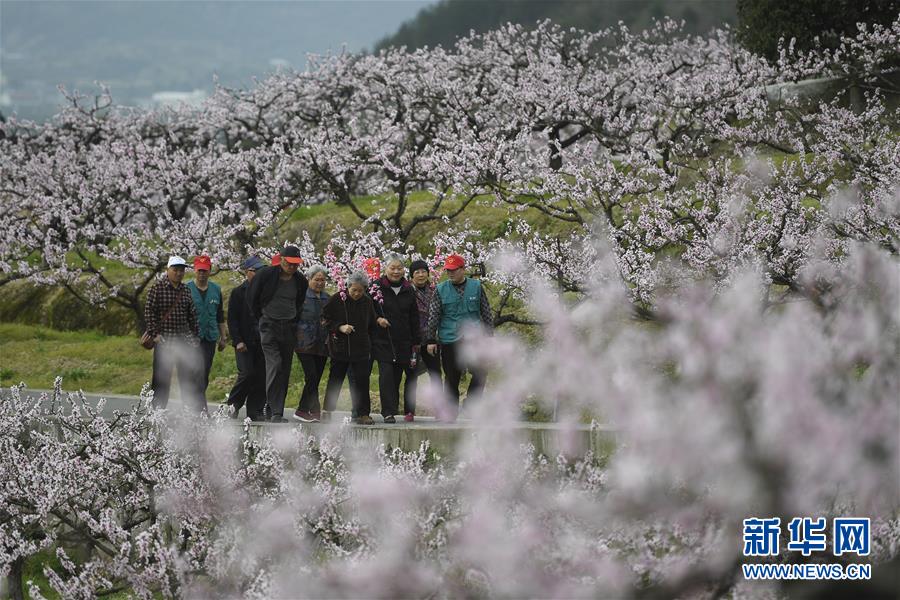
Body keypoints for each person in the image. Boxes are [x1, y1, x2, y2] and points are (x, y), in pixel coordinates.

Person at [425, 254, 493, 421]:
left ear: (463, 269)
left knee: (480, 373)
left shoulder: (476, 286)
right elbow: (434, 315)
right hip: (450, 339)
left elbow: (486, 311)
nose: (450, 273)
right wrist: (431, 339)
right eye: (448, 271)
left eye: (454, 270)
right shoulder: (440, 289)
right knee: (451, 377)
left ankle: (471, 405)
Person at [247, 245, 309, 423]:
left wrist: (293, 320)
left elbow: (299, 303)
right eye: (289, 263)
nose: (292, 267)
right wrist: (262, 318)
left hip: (288, 326)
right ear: (281, 259)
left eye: (296, 264)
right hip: (268, 325)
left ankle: (275, 409)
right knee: (275, 364)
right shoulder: (266, 275)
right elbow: (252, 298)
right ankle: (274, 410)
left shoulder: (300, 281)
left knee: (285, 369)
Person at [322, 270, 387, 425]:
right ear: (347, 287)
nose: (357, 293)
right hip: (340, 347)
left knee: (362, 381)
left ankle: (363, 413)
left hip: (361, 348)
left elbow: (371, 323)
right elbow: (324, 320)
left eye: (360, 290)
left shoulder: (367, 301)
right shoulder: (337, 299)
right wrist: (339, 327)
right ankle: (327, 410)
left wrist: (371, 340)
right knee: (335, 379)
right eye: (354, 290)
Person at [144, 255, 204, 412]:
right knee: (161, 379)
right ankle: (157, 411)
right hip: (164, 341)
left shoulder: (185, 290)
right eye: (175, 270)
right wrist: (154, 334)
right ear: (168, 270)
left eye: (181, 270)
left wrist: (195, 337)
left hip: (184, 340)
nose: (178, 273)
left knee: (186, 377)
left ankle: (189, 411)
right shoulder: (157, 288)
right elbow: (149, 312)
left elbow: (192, 315)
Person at [371, 253, 421, 423]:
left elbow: (414, 316)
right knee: (386, 375)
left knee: (397, 376)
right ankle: (388, 412)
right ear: (386, 269)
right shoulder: (376, 287)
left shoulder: (408, 288)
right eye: (392, 268)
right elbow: (368, 309)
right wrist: (377, 319)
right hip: (383, 340)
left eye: (399, 268)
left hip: (403, 341)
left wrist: (416, 341)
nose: (396, 271)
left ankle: (393, 408)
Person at [225, 256, 267, 420]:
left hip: (262, 341)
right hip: (244, 342)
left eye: (260, 271)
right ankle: (232, 406)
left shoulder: (265, 291)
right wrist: (238, 341)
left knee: (261, 376)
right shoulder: (238, 292)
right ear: (246, 272)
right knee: (247, 373)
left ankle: (255, 410)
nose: (258, 274)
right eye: (255, 271)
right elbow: (232, 319)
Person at [293, 265, 330, 423]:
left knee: (316, 377)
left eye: (323, 280)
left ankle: (308, 409)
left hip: (322, 344)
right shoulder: (301, 296)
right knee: (311, 376)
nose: (320, 283)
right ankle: (308, 410)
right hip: (304, 343)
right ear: (309, 279)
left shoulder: (327, 298)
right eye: (316, 279)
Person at [186, 255, 226, 403]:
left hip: (210, 337)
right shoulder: (186, 288)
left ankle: (196, 403)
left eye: (205, 270)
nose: (202, 273)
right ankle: (198, 406)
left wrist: (223, 337)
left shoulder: (216, 289)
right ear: (195, 271)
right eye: (199, 270)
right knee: (195, 370)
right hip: (191, 338)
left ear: (210, 271)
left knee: (204, 371)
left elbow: (220, 315)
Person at [410, 259, 442, 390]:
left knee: (435, 373)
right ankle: (409, 409)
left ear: (428, 273)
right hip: (413, 340)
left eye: (424, 271)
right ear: (412, 275)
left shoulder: (435, 290)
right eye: (417, 272)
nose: (421, 275)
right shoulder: (407, 290)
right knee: (411, 376)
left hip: (431, 338)